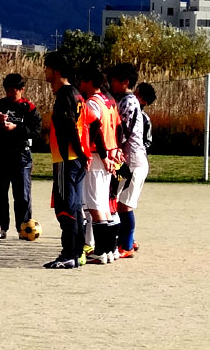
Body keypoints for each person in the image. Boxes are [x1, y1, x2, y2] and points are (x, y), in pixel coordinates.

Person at [0, 72, 42, 239]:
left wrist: (16, 128)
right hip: (0, 155)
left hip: (21, 156)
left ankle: (24, 228)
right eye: (7, 90)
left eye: (14, 91)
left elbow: (36, 130)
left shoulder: (29, 108)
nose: (10, 94)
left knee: (22, 195)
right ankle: (0, 228)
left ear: (21, 90)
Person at [43, 51, 89, 269]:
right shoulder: (77, 94)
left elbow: (69, 126)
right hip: (73, 159)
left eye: (47, 67)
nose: (44, 71)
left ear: (56, 70)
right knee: (74, 206)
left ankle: (69, 253)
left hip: (67, 160)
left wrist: (76, 153)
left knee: (64, 207)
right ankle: (77, 252)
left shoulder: (65, 94)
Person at [77, 67, 121, 265]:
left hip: (97, 156)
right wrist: (116, 150)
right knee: (104, 205)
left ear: (89, 82)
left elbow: (96, 131)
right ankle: (111, 250)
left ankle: (101, 251)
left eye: (82, 79)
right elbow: (118, 127)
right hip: (109, 155)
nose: (80, 83)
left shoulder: (92, 103)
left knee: (95, 206)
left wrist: (103, 156)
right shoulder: (108, 101)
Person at [109, 64, 149, 258]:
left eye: (115, 80)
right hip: (128, 159)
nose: (111, 83)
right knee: (118, 203)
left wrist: (112, 149)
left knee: (124, 205)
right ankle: (126, 240)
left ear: (125, 82)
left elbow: (124, 131)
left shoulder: (129, 102)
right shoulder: (124, 100)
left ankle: (126, 245)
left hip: (133, 160)